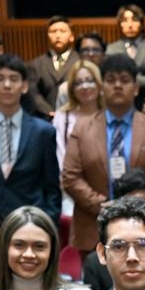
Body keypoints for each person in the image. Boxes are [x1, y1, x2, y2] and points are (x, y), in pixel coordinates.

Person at [60, 53, 145, 257]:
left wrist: (134, 206)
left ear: (136, 87)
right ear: (101, 87)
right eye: (111, 80)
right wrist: (102, 205)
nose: (117, 86)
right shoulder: (82, 128)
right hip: (93, 227)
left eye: (124, 80)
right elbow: (71, 177)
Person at [0, 53, 62, 227]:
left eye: (13, 79)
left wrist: (47, 222)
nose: (7, 85)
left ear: (24, 86)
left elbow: (51, 186)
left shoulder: (43, 131)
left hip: (32, 221)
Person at [54, 60, 104, 208]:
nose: (85, 87)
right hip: (72, 192)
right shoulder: (63, 117)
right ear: (72, 89)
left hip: (107, 189)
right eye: (78, 83)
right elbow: (61, 156)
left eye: (90, 81)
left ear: (99, 83)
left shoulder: (110, 114)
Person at [105, 3, 145, 104]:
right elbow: (109, 80)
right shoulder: (110, 50)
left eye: (134, 20)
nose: (130, 25)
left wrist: (127, 79)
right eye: (125, 21)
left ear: (141, 24)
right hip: (118, 101)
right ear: (120, 24)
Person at [29, 16, 80, 115]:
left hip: (76, 117)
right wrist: (49, 112)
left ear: (72, 36)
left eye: (63, 31)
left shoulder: (81, 61)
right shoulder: (35, 64)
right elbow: (32, 93)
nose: (58, 35)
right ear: (47, 36)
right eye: (53, 31)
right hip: (45, 119)